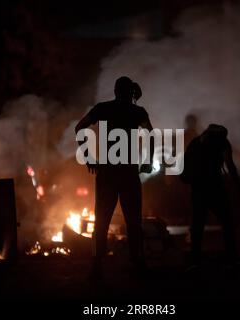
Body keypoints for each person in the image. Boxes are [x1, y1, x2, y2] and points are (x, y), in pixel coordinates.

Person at [75, 76, 154, 279]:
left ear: (116, 90)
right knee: (133, 221)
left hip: (107, 173)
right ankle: (137, 263)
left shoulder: (102, 109)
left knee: (102, 220)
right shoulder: (138, 112)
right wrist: (148, 160)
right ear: (130, 92)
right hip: (128, 173)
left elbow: (79, 128)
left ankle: (96, 265)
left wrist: (88, 157)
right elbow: (151, 134)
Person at [181, 124, 240, 267]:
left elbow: (186, 165)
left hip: (198, 187)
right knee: (227, 221)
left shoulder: (195, 142)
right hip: (215, 187)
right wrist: (238, 187)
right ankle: (231, 256)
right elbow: (230, 165)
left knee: (198, 224)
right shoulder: (222, 143)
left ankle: (195, 257)